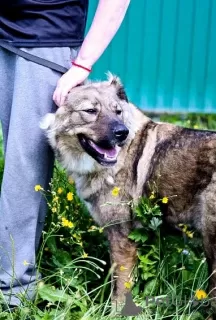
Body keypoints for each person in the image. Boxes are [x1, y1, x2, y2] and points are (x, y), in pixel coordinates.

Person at [0, 0, 130, 306]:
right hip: (4, 33)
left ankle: (13, 295)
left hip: (44, 40)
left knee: (24, 172)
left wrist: (82, 64)